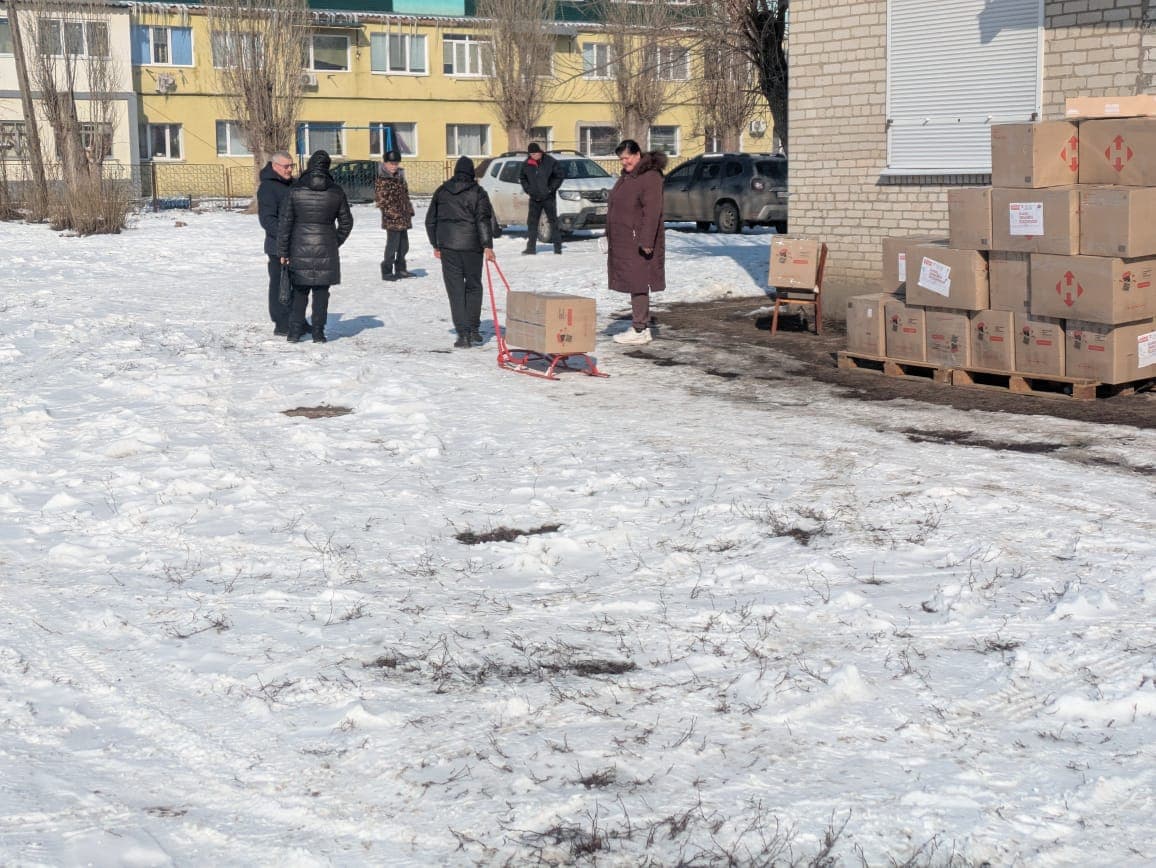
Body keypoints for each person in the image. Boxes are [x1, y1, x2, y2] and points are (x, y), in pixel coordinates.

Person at [276, 150, 353, 344]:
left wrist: (283, 251)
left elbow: (285, 224)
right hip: (326, 249)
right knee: (321, 293)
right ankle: (318, 333)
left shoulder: (295, 190)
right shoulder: (336, 191)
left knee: (300, 292)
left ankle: (294, 332)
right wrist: (334, 242)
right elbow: (346, 223)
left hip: (298, 248)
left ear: (310, 166)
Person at [425, 156, 496, 349]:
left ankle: (463, 335)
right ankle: (473, 329)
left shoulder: (442, 191)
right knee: (473, 286)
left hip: (449, 247)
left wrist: (436, 244)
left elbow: (430, 220)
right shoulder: (478, 192)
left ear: (455, 172)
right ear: (471, 173)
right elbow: (483, 220)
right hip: (472, 247)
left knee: (455, 291)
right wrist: (487, 245)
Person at [606, 139, 667, 345]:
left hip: (639, 240)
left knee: (639, 282)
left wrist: (647, 240)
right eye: (621, 159)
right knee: (634, 282)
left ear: (637, 154)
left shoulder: (650, 177)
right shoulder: (629, 176)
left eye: (626, 157)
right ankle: (640, 326)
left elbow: (652, 212)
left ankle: (640, 329)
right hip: (626, 239)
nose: (623, 162)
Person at [257, 150, 302, 335]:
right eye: (286, 166)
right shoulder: (268, 187)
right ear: (275, 166)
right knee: (279, 284)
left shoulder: (293, 184)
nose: (290, 169)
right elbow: (267, 219)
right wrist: (286, 236)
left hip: (297, 243)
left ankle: (296, 319)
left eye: (291, 165)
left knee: (297, 284)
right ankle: (281, 323)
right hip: (277, 246)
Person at [374, 149, 415, 281]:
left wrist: (409, 210)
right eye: (391, 163)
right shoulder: (382, 180)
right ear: (385, 164)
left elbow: (405, 196)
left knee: (404, 246)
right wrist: (394, 214)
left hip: (404, 217)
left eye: (396, 163)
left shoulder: (400, 178)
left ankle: (401, 269)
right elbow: (382, 201)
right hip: (392, 219)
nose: (394, 166)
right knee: (392, 247)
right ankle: (386, 270)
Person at [518, 142, 565, 255]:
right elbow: (522, 178)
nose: (535, 155)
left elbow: (559, 176)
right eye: (532, 154)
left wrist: (551, 189)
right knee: (532, 223)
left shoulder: (550, 161)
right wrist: (528, 190)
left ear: (540, 152)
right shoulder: (526, 163)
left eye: (536, 153)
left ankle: (557, 248)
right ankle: (531, 248)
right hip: (534, 197)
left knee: (553, 221)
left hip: (548, 197)